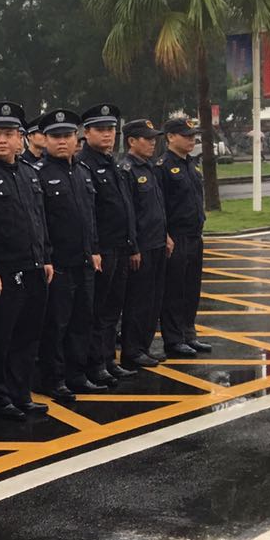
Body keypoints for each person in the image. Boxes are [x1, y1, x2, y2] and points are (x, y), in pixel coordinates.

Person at [0, 102, 51, 421]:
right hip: (3, 271)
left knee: (27, 335)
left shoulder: (29, 174)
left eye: (9, 134)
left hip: (33, 266)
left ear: (21, 138)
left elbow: (39, 219)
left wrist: (46, 257)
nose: (3, 140)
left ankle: (21, 393)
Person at [33, 109, 101, 403]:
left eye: (67, 136)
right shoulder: (39, 174)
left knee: (81, 321)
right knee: (56, 325)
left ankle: (77, 374)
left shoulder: (82, 172)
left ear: (77, 138)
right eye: (55, 136)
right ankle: (54, 378)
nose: (62, 141)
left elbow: (90, 217)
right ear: (45, 140)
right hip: (58, 263)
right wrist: (46, 257)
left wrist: (94, 249)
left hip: (83, 260)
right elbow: (39, 223)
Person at [78, 104, 138, 385]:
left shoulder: (112, 162)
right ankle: (96, 363)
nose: (107, 135)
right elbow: (89, 213)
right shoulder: (84, 164)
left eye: (111, 129)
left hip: (120, 246)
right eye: (100, 129)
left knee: (114, 309)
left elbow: (125, 206)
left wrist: (132, 244)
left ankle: (108, 359)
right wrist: (94, 249)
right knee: (98, 311)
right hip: (102, 249)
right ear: (86, 132)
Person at [119, 119, 169, 370]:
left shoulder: (148, 167)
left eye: (153, 139)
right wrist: (133, 247)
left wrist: (166, 235)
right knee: (138, 301)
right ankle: (132, 350)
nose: (152, 143)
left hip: (157, 242)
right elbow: (128, 213)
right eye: (147, 139)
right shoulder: (126, 170)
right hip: (142, 246)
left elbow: (157, 207)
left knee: (153, 300)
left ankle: (144, 346)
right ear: (131, 141)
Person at [158, 117, 209, 358]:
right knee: (175, 290)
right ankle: (174, 339)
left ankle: (189, 333)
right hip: (176, 236)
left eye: (193, 136)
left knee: (191, 288)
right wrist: (165, 234)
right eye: (186, 136)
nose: (192, 140)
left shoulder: (191, 164)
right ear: (170, 137)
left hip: (194, 235)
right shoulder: (163, 167)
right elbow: (159, 205)